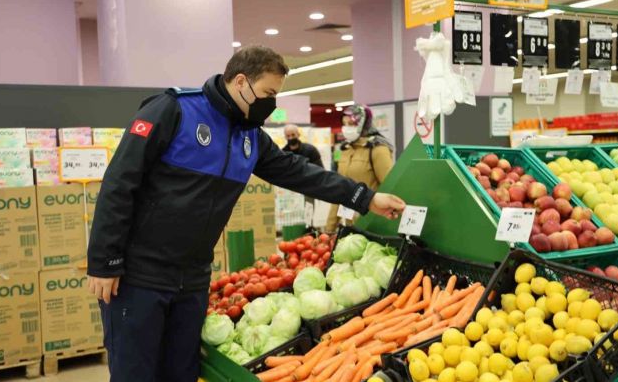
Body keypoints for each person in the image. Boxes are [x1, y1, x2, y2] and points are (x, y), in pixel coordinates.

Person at [86, 45, 406, 382]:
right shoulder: (173, 110)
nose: (271, 104)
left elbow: (300, 172)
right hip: (140, 275)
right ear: (241, 81)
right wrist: (105, 261)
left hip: (192, 279)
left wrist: (365, 197)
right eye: (268, 93)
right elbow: (119, 182)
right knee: (135, 374)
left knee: (181, 373)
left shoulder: (250, 137)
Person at [326, 104, 394, 233]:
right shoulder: (344, 150)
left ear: (364, 124)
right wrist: (329, 228)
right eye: (344, 123)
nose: (346, 128)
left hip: (371, 223)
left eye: (351, 123)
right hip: (347, 223)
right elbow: (338, 189)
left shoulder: (378, 149)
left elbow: (389, 187)